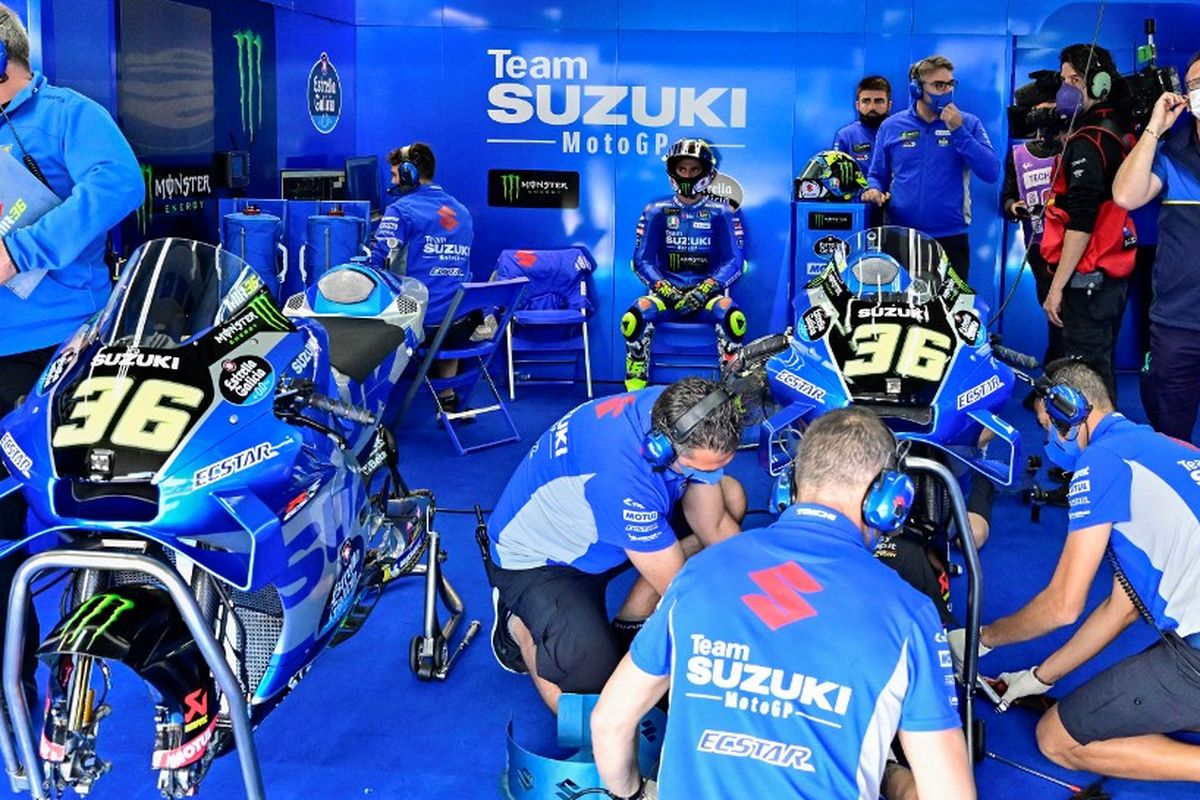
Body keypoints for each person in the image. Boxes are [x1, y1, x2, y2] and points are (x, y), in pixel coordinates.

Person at [592, 407, 973, 800]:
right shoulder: (910, 614)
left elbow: (608, 722)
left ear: (790, 485)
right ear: (889, 499)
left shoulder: (699, 571)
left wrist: (632, 794)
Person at [961, 360, 1200, 782]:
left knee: (1056, 739)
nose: (1049, 440)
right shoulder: (1173, 447)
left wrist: (982, 640)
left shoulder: (1100, 464)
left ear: (1072, 411)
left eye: (1048, 424)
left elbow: (1062, 605)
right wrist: (1040, 676)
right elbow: (1122, 607)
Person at [0, 6, 142, 707]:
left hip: (55, 354)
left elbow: (118, 184)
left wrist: (20, 250)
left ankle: (85, 665)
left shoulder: (64, 115)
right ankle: (11, 679)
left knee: (89, 518)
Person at [484, 378, 747, 713]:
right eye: (698, 469)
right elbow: (682, 590)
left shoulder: (681, 410)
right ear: (661, 448)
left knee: (731, 498)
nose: (709, 475)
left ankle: (630, 620)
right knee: (592, 676)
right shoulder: (621, 478)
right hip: (542, 562)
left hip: (609, 531)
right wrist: (750, 631)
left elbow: (713, 526)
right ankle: (516, 625)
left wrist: (762, 584)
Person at [1038, 44, 1136, 401]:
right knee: (1100, 367)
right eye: (1063, 80)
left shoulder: (1089, 140)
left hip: (1088, 276)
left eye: (1075, 80)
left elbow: (1081, 222)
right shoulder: (1117, 128)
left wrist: (1057, 286)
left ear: (1099, 84)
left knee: (1086, 379)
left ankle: (1089, 452)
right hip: (1111, 275)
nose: (1066, 89)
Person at [1113, 52, 1200, 442]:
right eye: (1196, 85)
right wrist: (1154, 128)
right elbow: (1125, 196)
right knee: (1171, 437)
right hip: (1177, 323)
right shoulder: (1172, 152)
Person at [623, 138, 747, 391]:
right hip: (666, 298)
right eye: (682, 169)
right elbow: (641, 260)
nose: (687, 175)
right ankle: (634, 392)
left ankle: (732, 389)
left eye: (694, 169)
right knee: (634, 317)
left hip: (707, 298)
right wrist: (665, 288)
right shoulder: (655, 210)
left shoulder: (722, 211)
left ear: (706, 172)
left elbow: (735, 261)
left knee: (733, 317)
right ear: (672, 172)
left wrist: (705, 289)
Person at [863, 55, 1000, 280]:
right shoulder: (891, 126)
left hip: (950, 239)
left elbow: (991, 172)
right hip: (900, 237)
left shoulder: (968, 123)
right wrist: (874, 190)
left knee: (948, 312)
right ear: (916, 89)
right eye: (939, 85)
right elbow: (877, 175)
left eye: (950, 84)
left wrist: (958, 131)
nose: (947, 91)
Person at [368, 142, 477, 412]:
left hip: (423, 323)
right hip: (460, 321)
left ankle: (367, 404)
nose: (391, 181)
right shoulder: (461, 212)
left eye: (394, 175)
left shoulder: (401, 210)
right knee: (445, 301)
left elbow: (378, 261)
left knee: (362, 308)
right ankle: (448, 395)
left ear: (408, 173)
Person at [1003, 103, 1065, 369]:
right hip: (1038, 247)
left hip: (1073, 244)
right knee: (1053, 311)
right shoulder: (1017, 155)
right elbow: (1006, 197)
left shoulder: (1072, 148)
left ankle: (1058, 372)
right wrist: (1013, 207)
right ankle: (1056, 373)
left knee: (1068, 315)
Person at [832, 75, 893, 168]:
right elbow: (836, 176)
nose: (872, 107)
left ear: (889, 105)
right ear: (857, 105)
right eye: (866, 101)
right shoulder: (845, 136)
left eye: (879, 101)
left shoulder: (900, 133)